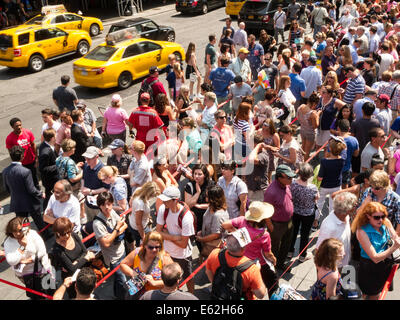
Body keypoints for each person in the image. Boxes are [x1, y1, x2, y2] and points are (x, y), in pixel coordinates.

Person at [222, 201, 277, 297]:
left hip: (243, 259)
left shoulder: (242, 220)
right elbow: (268, 254)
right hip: (258, 263)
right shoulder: (264, 235)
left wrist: (239, 234)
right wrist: (274, 260)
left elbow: (225, 225)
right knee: (273, 282)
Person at [352, 202, 400, 299]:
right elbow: (375, 258)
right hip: (370, 268)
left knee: (380, 291)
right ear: (368, 216)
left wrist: (396, 243)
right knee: (369, 294)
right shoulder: (362, 231)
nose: (381, 219)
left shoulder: (385, 222)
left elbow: (395, 238)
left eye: (383, 216)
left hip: (386, 265)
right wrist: (393, 248)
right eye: (376, 217)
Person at [205, 229, 267, 300]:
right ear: (243, 248)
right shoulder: (252, 269)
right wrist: (258, 270)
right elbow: (261, 294)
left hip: (218, 296)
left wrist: (217, 285)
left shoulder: (215, 253)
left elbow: (208, 271)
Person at [155, 186, 196, 294]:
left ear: (175, 200)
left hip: (183, 255)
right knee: (169, 279)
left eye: (167, 200)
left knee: (188, 278)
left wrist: (167, 235)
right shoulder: (163, 209)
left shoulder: (186, 217)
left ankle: (191, 296)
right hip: (168, 253)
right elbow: (158, 232)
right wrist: (174, 237)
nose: (164, 202)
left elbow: (183, 244)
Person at [4, 217, 53, 299]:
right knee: (37, 295)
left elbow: (42, 251)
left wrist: (28, 260)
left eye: (20, 230)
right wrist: (22, 248)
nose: (18, 234)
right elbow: (11, 261)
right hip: (26, 275)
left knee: (51, 290)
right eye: (14, 232)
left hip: (42, 269)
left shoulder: (32, 234)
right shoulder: (8, 242)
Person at [3, 145, 48, 235]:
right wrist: (40, 193)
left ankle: (24, 237)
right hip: (30, 201)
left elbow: (6, 188)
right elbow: (31, 189)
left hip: (17, 202)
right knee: (38, 220)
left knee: (22, 224)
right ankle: (46, 235)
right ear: (22, 156)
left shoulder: (5, 171)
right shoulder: (25, 171)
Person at [93, 191, 128, 300]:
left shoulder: (112, 212)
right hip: (113, 258)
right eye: (103, 205)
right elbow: (106, 243)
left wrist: (114, 233)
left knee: (119, 280)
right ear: (99, 206)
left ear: (112, 203)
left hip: (122, 250)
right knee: (123, 281)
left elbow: (125, 225)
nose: (107, 207)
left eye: (109, 204)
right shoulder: (98, 223)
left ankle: (118, 295)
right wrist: (117, 228)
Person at [120, 231, 173, 299]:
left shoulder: (165, 258)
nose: (154, 250)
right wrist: (133, 273)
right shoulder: (137, 253)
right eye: (150, 247)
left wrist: (154, 283)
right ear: (144, 245)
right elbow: (123, 264)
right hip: (137, 294)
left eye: (157, 247)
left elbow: (172, 280)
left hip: (155, 296)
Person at [51, 217, 95, 299]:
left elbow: (85, 251)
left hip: (84, 273)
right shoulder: (57, 249)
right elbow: (72, 269)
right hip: (72, 279)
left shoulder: (74, 235)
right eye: (63, 234)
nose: (67, 235)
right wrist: (85, 258)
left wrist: (77, 261)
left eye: (68, 232)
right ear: (57, 233)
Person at [264, 164, 296, 270]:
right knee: (274, 247)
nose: (291, 179)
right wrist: (270, 226)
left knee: (287, 243)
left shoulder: (286, 185)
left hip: (289, 222)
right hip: (276, 225)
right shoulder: (270, 192)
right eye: (289, 177)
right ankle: (272, 267)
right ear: (279, 178)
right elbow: (266, 211)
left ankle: (281, 264)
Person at [315, 191, 358, 269]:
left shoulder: (346, 217)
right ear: (347, 209)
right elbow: (319, 250)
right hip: (334, 267)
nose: (356, 206)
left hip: (345, 262)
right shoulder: (329, 227)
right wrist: (322, 272)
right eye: (354, 205)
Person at [288, 163, 319, 262]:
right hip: (308, 214)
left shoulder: (292, 183)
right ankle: (302, 256)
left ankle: (289, 252)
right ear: (310, 175)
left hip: (295, 211)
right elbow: (316, 198)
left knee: (293, 232)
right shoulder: (313, 188)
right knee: (305, 235)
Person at [358, 170, 400, 235]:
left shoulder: (395, 199)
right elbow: (357, 215)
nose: (373, 190)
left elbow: (399, 223)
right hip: (367, 233)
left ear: (385, 186)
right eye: (371, 186)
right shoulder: (368, 192)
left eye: (376, 188)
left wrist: (394, 240)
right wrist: (364, 204)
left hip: (385, 236)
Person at [195, 184, 229, 261]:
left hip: (213, 249)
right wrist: (203, 231)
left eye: (207, 196)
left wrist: (202, 239)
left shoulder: (218, 215)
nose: (205, 197)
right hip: (208, 245)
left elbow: (216, 235)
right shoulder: (211, 206)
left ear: (213, 198)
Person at [6, 117, 39, 190]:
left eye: (20, 125)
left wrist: (36, 158)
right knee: (24, 183)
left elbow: (33, 144)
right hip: (21, 165)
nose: (19, 127)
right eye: (16, 126)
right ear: (12, 127)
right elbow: (11, 152)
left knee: (35, 181)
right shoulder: (9, 138)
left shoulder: (28, 132)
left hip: (31, 161)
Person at [80, 146, 109, 222]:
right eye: (86, 158)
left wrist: (91, 191)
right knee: (90, 222)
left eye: (89, 158)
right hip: (87, 203)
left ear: (97, 157)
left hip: (99, 205)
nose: (87, 160)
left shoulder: (103, 170)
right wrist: (82, 187)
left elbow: (106, 188)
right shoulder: (86, 165)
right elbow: (83, 178)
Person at [128, 182, 160, 248]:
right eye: (152, 196)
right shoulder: (140, 204)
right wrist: (143, 237)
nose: (153, 197)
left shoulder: (138, 190)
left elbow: (130, 203)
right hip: (139, 228)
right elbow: (138, 223)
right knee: (145, 243)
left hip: (133, 222)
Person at [185, 164, 215, 233]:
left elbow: (214, 204)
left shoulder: (211, 185)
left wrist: (199, 206)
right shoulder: (190, 185)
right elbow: (188, 205)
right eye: (195, 174)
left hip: (209, 218)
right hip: (195, 220)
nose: (196, 176)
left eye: (199, 174)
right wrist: (198, 192)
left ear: (204, 175)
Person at [316, 86, 347, 150]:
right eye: (321, 91)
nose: (321, 93)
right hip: (319, 127)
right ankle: (316, 159)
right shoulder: (320, 99)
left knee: (326, 147)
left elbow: (346, 107)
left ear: (329, 94)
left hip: (328, 129)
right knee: (317, 144)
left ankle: (325, 159)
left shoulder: (334, 101)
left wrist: (340, 118)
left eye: (324, 92)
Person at [39, 128, 59, 210]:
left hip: (52, 179)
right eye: (55, 135)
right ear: (52, 138)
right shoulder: (46, 152)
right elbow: (43, 169)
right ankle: (46, 213)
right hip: (50, 181)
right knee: (49, 197)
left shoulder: (47, 145)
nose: (57, 136)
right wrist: (57, 165)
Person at [297, 93, 320, 161]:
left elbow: (297, 117)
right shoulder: (312, 113)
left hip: (302, 130)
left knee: (303, 147)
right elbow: (315, 126)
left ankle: (300, 161)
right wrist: (318, 115)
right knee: (307, 151)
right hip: (310, 133)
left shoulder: (301, 106)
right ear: (314, 104)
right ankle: (304, 165)